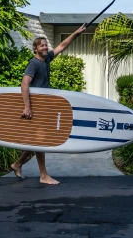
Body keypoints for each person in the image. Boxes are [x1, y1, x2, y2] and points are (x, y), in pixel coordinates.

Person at [10, 24, 87, 184]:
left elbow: (62, 46)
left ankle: (17, 164)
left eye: (46, 45)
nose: (45, 47)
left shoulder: (46, 59)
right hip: (37, 106)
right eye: (42, 46)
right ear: (35, 49)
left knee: (37, 140)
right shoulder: (34, 63)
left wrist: (76, 33)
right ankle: (43, 175)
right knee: (40, 139)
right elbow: (25, 84)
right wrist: (27, 107)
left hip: (44, 105)